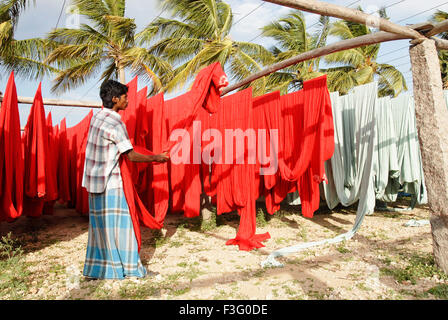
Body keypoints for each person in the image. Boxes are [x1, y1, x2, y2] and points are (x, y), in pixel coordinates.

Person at [81, 79, 169, 280]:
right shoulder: (115, 121)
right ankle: (130, 268)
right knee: (122, 226)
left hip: (94, 181)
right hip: (110, 182)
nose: (127, 101)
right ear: (115, 99)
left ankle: (98, 269)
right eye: (124, 97)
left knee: (100, 229)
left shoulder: (97, 118)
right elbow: (130, 155)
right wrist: (157, 157)